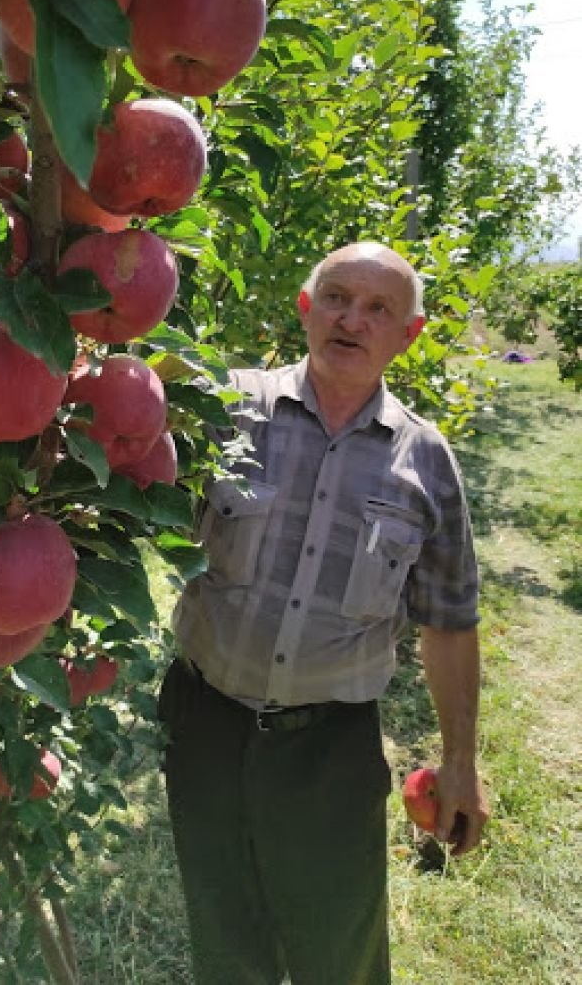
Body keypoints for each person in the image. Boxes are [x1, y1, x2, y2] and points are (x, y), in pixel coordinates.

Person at [160, 241, 489, 985]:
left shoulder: (425, 460)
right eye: (337, 297)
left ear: (409, 334)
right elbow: (128, 501)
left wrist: (461, 763)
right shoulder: (223, 410)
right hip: (206, 726)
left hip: (331, 749)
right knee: (224, 939)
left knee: (340, 952)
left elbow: (448, 620)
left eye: (378, 308)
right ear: (307, 308)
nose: (352, 319)